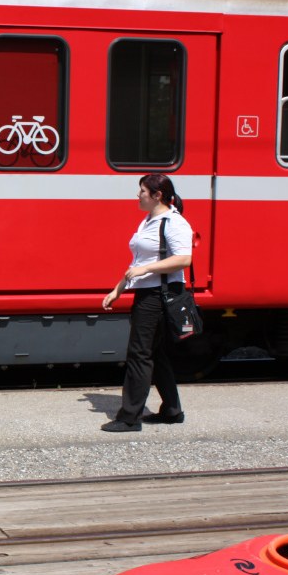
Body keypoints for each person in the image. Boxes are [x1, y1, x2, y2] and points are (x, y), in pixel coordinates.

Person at [101, 174, 192, 432]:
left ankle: (129, 418)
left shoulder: (174, 222)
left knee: (139, 354)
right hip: (148, 293)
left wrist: (146, 270)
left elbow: (184, 259)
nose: (138, 195)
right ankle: (172, 411)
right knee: (154, 353)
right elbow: (138, 263)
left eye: (142, 191)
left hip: (159, 295)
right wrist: (118, 290)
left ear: (157, 195)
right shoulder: (149, 221)